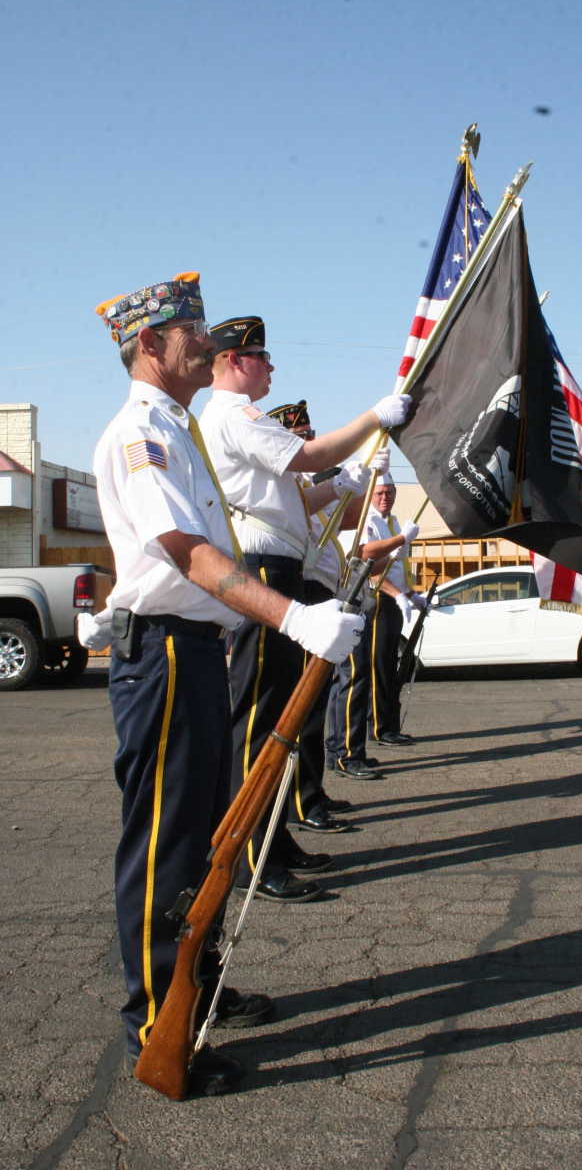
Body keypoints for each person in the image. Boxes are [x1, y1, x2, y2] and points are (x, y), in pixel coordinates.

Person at [89, 275, 364, 1096]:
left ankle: (196, 989)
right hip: (167, 654)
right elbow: (187, 552)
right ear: (149, 344)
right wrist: (292, 617)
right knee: (168, 844)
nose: (207, 346)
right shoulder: (142, 433)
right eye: (193, 335)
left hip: (197, 648)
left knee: (207, 838)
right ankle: (157, 1022)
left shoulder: (179, 429)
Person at [198, 318, 410, 901]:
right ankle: (248, 853)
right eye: (261, 356)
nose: (270, 366)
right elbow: (309, 454)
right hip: (262, 571)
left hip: (280, 568)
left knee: (282, 713)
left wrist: (344, 483)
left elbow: (295, 501)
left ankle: (272, 837)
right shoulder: (234, 414)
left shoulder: (242, 418)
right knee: (260, 717)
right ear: (234, 360)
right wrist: (373, 419)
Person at [266, 399, 383, 824]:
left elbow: (348, 519)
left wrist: (368, 478)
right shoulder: (283, 486)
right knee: (302, 701)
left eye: (310, 435)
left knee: (315, 700)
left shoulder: (304, 484)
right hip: (303, 591)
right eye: (300, 437)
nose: (308, 441)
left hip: (322, 590)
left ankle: (311, 792)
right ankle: (301, 800)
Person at [325, 469, 426, 777]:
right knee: (354, 678)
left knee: (361, 677)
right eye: (379, 492)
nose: (384, 498)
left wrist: (409, 593)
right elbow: (363, 556)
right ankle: (346, 753)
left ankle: (347, 749)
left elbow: (382, 563)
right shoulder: (361, 520)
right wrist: (400, 541)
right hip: (358, 601)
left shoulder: (385, 522)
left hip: (366, 601)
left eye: (389, 493)